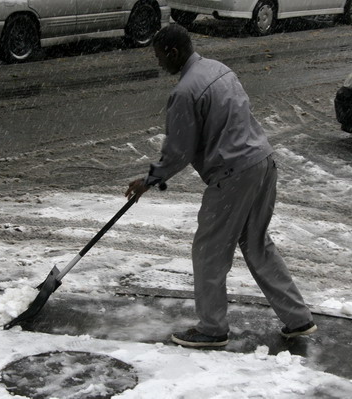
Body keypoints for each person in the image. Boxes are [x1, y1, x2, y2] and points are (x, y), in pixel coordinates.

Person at [125, 24, 316, 348]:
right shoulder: (218, 69)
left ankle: (212, 328)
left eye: (159, 56)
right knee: (256, 244)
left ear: (173, 52)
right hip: (263, 161)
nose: (158, 63)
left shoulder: (185, 91)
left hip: (234, 174)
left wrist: (150, 180)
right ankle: (297, 318)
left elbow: (178, 151)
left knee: (209, 250)